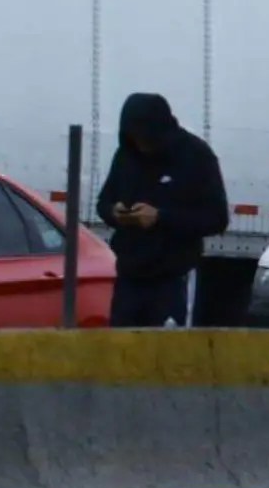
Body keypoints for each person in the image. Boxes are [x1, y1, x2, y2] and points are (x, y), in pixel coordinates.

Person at [96, 92, 230, 327]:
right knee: (121, 351)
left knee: (170, 352)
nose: (141, 145)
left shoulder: (196, 156)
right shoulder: (126, 155)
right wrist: (115, 213)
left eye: (145, 138)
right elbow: (103, 202)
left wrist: (160, 218)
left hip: (172, 277)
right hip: (129, 276)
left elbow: (217, 218)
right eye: (134, 138)